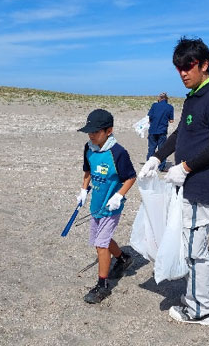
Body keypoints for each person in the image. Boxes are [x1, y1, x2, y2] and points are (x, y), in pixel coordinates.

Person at [139, 36, 209, 326]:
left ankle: (200, 310)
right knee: (192, 244)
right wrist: (156, 157)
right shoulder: (194, 97)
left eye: (188, 66)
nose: (182, 73)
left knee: (194, 251)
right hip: (186, 185)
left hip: (201, 186)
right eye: (178, 68)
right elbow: (181, 133)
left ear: (204, 65)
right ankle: (201, 294)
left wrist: (186, 167)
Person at [76, 109, 137, 304]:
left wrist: (119, 195)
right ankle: (123, 258)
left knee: (101, 244)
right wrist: (83, 190)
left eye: (96, 132)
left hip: (111, 207)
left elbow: (131, 177)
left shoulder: (118, 153)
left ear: (108, 131)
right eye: (89, 131)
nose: (91, 135)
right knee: (100, 239)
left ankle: (102, 285)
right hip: (96, 205)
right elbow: (87, 171)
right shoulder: (89, 148)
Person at [147, 92, 175, 171]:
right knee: (162, 149)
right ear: (166, 99)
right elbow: (171, 120)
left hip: (152, 130)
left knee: (151, 149)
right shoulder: (170, 107)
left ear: (160, 98)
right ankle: (161, 167)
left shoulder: (154, 105)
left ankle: (149, 166)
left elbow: (149, 117)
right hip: (162, 130)